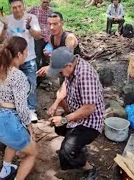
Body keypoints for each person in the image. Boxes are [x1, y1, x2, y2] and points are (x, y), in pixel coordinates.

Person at [47, 47, 105, 180]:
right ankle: (77, 147)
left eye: (61, 71)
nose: (60, 74)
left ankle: (90, 169)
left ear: (68, 65)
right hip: (77, 114)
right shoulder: (72, 68)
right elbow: (64, 87)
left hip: (90, 121)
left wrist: (64, 119)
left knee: (67, 151)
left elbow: (89, 109)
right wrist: (56, 103)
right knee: (59, 126)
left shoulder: (85, 75)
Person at [0, 36, 37, 180]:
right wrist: (30, 127)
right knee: (32, 153)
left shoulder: (0, 68)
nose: (27, 54)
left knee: (13, 141)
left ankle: (6, 170)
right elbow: (22, 108)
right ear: (19, 54)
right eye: (26, 51)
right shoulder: (18, 76)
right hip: (7, 120)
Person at [0, 0, 42, 122]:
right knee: (13, 85)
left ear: (24, 6)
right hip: (12, 60)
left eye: (19, 6)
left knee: (31, 83)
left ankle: (31, 110)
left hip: (29, 57)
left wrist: (29, 27)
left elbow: (38, 36)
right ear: (10, 8)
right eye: (14, 8)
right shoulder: (6, 19)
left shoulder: (31, 18)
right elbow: (0, 40)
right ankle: (16, 109)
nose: (17, 10)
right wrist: (5, 26)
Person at [36, 12, 81, 77]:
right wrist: (48, 56)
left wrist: (49, 67)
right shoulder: (51, 38)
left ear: (62, 23)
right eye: (49, 24)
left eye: (55, 24)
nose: (51, 27)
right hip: (64, 71)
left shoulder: (69, 38)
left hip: (77, 71)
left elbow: (68, 58)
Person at [27, 0, 53, 71]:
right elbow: (25, 16)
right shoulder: (34, 9)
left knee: (46, 54)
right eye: (44, 2)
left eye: (47, 2)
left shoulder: (51, 11)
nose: (45, 4)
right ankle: (36, 73)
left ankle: (44, 72)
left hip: (48, 36)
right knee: (37, 55)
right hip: (38, 36)